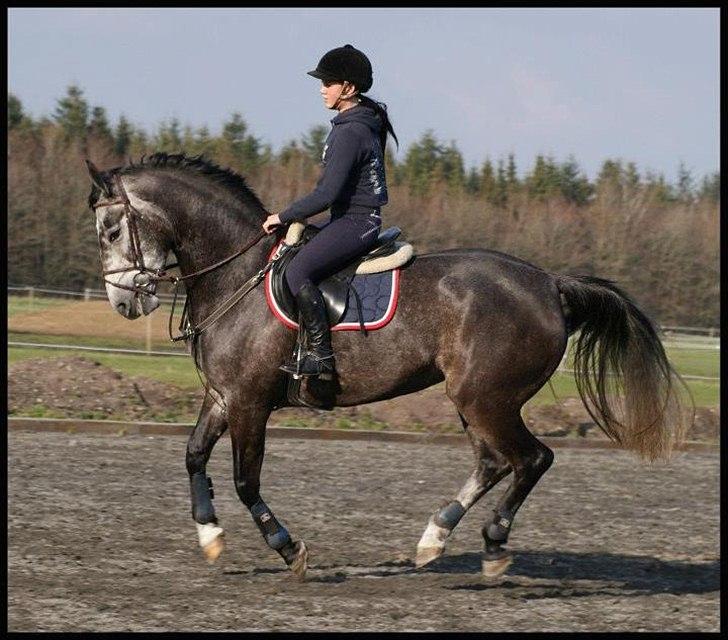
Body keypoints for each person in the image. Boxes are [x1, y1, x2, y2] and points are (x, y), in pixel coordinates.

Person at [262, 44, 398, 379]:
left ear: (348, 89)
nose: (322, 88)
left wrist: (283, 215)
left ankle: (320, 356)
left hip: (355, 222)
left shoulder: (351, 131)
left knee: (296, 273)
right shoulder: (358, 122)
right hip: (349, 219)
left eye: (329, 82)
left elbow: (326, 194)